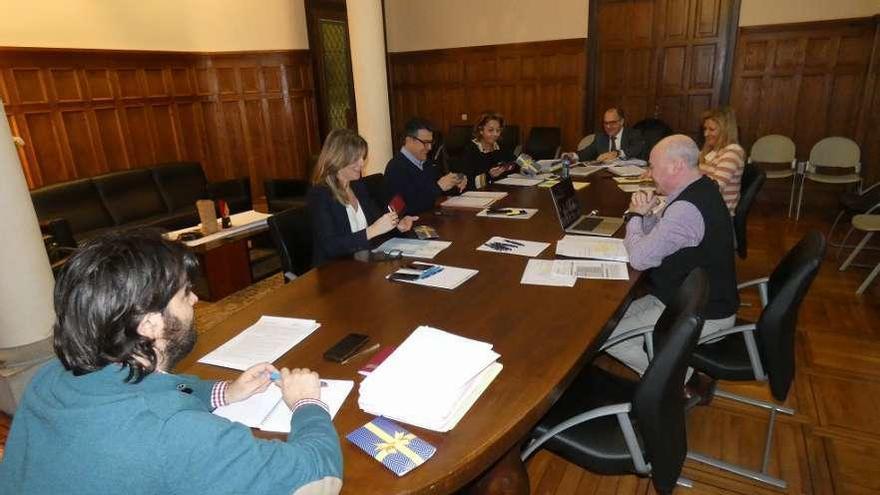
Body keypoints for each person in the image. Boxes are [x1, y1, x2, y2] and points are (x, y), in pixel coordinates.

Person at [0, 230, 343, 494]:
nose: (195, 298)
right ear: (149, 324)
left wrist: (224, 392)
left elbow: (158, 391)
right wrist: (307, 403)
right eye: (183, 294)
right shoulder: (175, 432)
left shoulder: (49, 377)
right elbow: (319, 474)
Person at [603, 135, 738, 398]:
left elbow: (640, 258)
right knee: (609, 320)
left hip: (703, 312)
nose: (648, 172)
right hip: (686, 297)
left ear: (676, 166)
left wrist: (634, 216)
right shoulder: (700, 188)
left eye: (652, 166)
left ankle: (680, 381)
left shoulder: (686, 208)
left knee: (605, 336)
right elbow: (663, 240)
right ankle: (678, 376)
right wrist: (650, 215)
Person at [308, 129, 418, 266]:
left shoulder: (357, 186)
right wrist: (372, 231)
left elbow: (376, 218)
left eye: (362, 157)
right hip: (334, 272)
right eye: (356, 158)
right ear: (338, 159)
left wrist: (396, 224)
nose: (361, 163)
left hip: (361, 264)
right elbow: (331, 246)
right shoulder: (320, 194)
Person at [384, 117, 466, 214]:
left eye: (431, 142)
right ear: (409, 140)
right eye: (425, 143)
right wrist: (438, 187)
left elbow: (441, 189)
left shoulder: (426, 164)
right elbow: (407, 208)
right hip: (412, 225)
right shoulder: (396, 168)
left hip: (430, 218)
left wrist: (457, 181)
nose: (430, 147)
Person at [699, 107, 745, 216]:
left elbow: (714, 188)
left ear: (725, 130)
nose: (706, 134)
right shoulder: (713, 150)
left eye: (711, 129)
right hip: (707, 206)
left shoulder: (732, 152)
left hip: (718, 215)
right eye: (705, 129)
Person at [452, 111, 516, 189]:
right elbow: (466, 183)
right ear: (481, 130)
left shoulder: (501, 147)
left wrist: (520, 165)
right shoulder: (469, 150)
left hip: (499, 192)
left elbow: (514, 165)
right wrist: (489, 176)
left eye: (498, 130)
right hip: (475, 196)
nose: (495, 134)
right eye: (490, 130)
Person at [565, 107, 646, 162]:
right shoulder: (600, 137)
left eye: (612, 123)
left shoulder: (633, 134)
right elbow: (587, 153)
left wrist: (616, 153)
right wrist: (572, 155)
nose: (608, 126)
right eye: (606, 123)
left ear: (621, 122)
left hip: (628, 177)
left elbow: (636, 148)